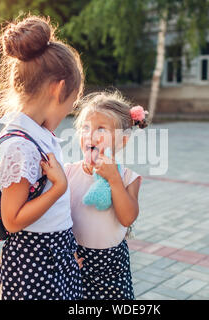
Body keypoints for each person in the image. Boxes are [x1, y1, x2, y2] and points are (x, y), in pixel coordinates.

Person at [0, 15, 85, 300]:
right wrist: (59, 188)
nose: (69, 111)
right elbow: (13, 220)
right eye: (71, 102)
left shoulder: (40, 134)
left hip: (55, 255)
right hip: (36, 265)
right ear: (57, 89)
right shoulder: (20, 146)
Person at [64, 91, 147, 300]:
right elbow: (58, 218)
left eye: (101, 128)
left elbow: (127, 218)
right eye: (85, 127)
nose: (90, 134)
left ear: (122, 141)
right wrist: (66, 253)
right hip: (76, 261)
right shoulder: (68, 173)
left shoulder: (128, 177)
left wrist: (114, 180)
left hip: (112, 266)